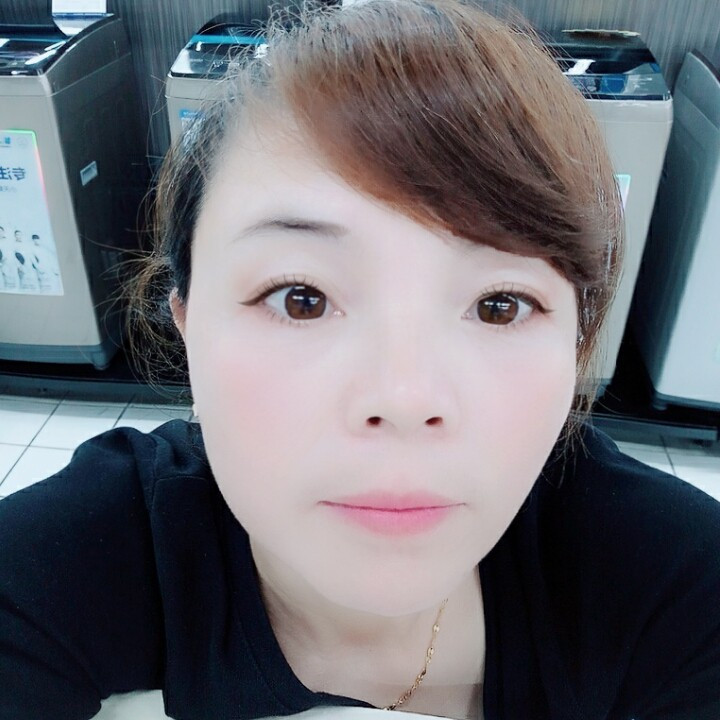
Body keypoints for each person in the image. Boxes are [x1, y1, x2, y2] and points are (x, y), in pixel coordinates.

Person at [1, 1, 719, 719]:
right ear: (187, 325)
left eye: (500, 305)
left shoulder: (671, 579)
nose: (405, 397)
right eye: (301, 299)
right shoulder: (79, 557)